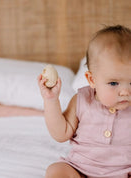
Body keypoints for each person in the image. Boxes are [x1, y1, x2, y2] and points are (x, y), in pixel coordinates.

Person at [38, 25, 131, 178]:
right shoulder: (82, 101)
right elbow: (61, 134)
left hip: (123, 171)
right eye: (113, 83)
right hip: (80, 169)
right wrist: (51, 100)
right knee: (56, 171)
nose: (125, 92)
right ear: (92, 80)